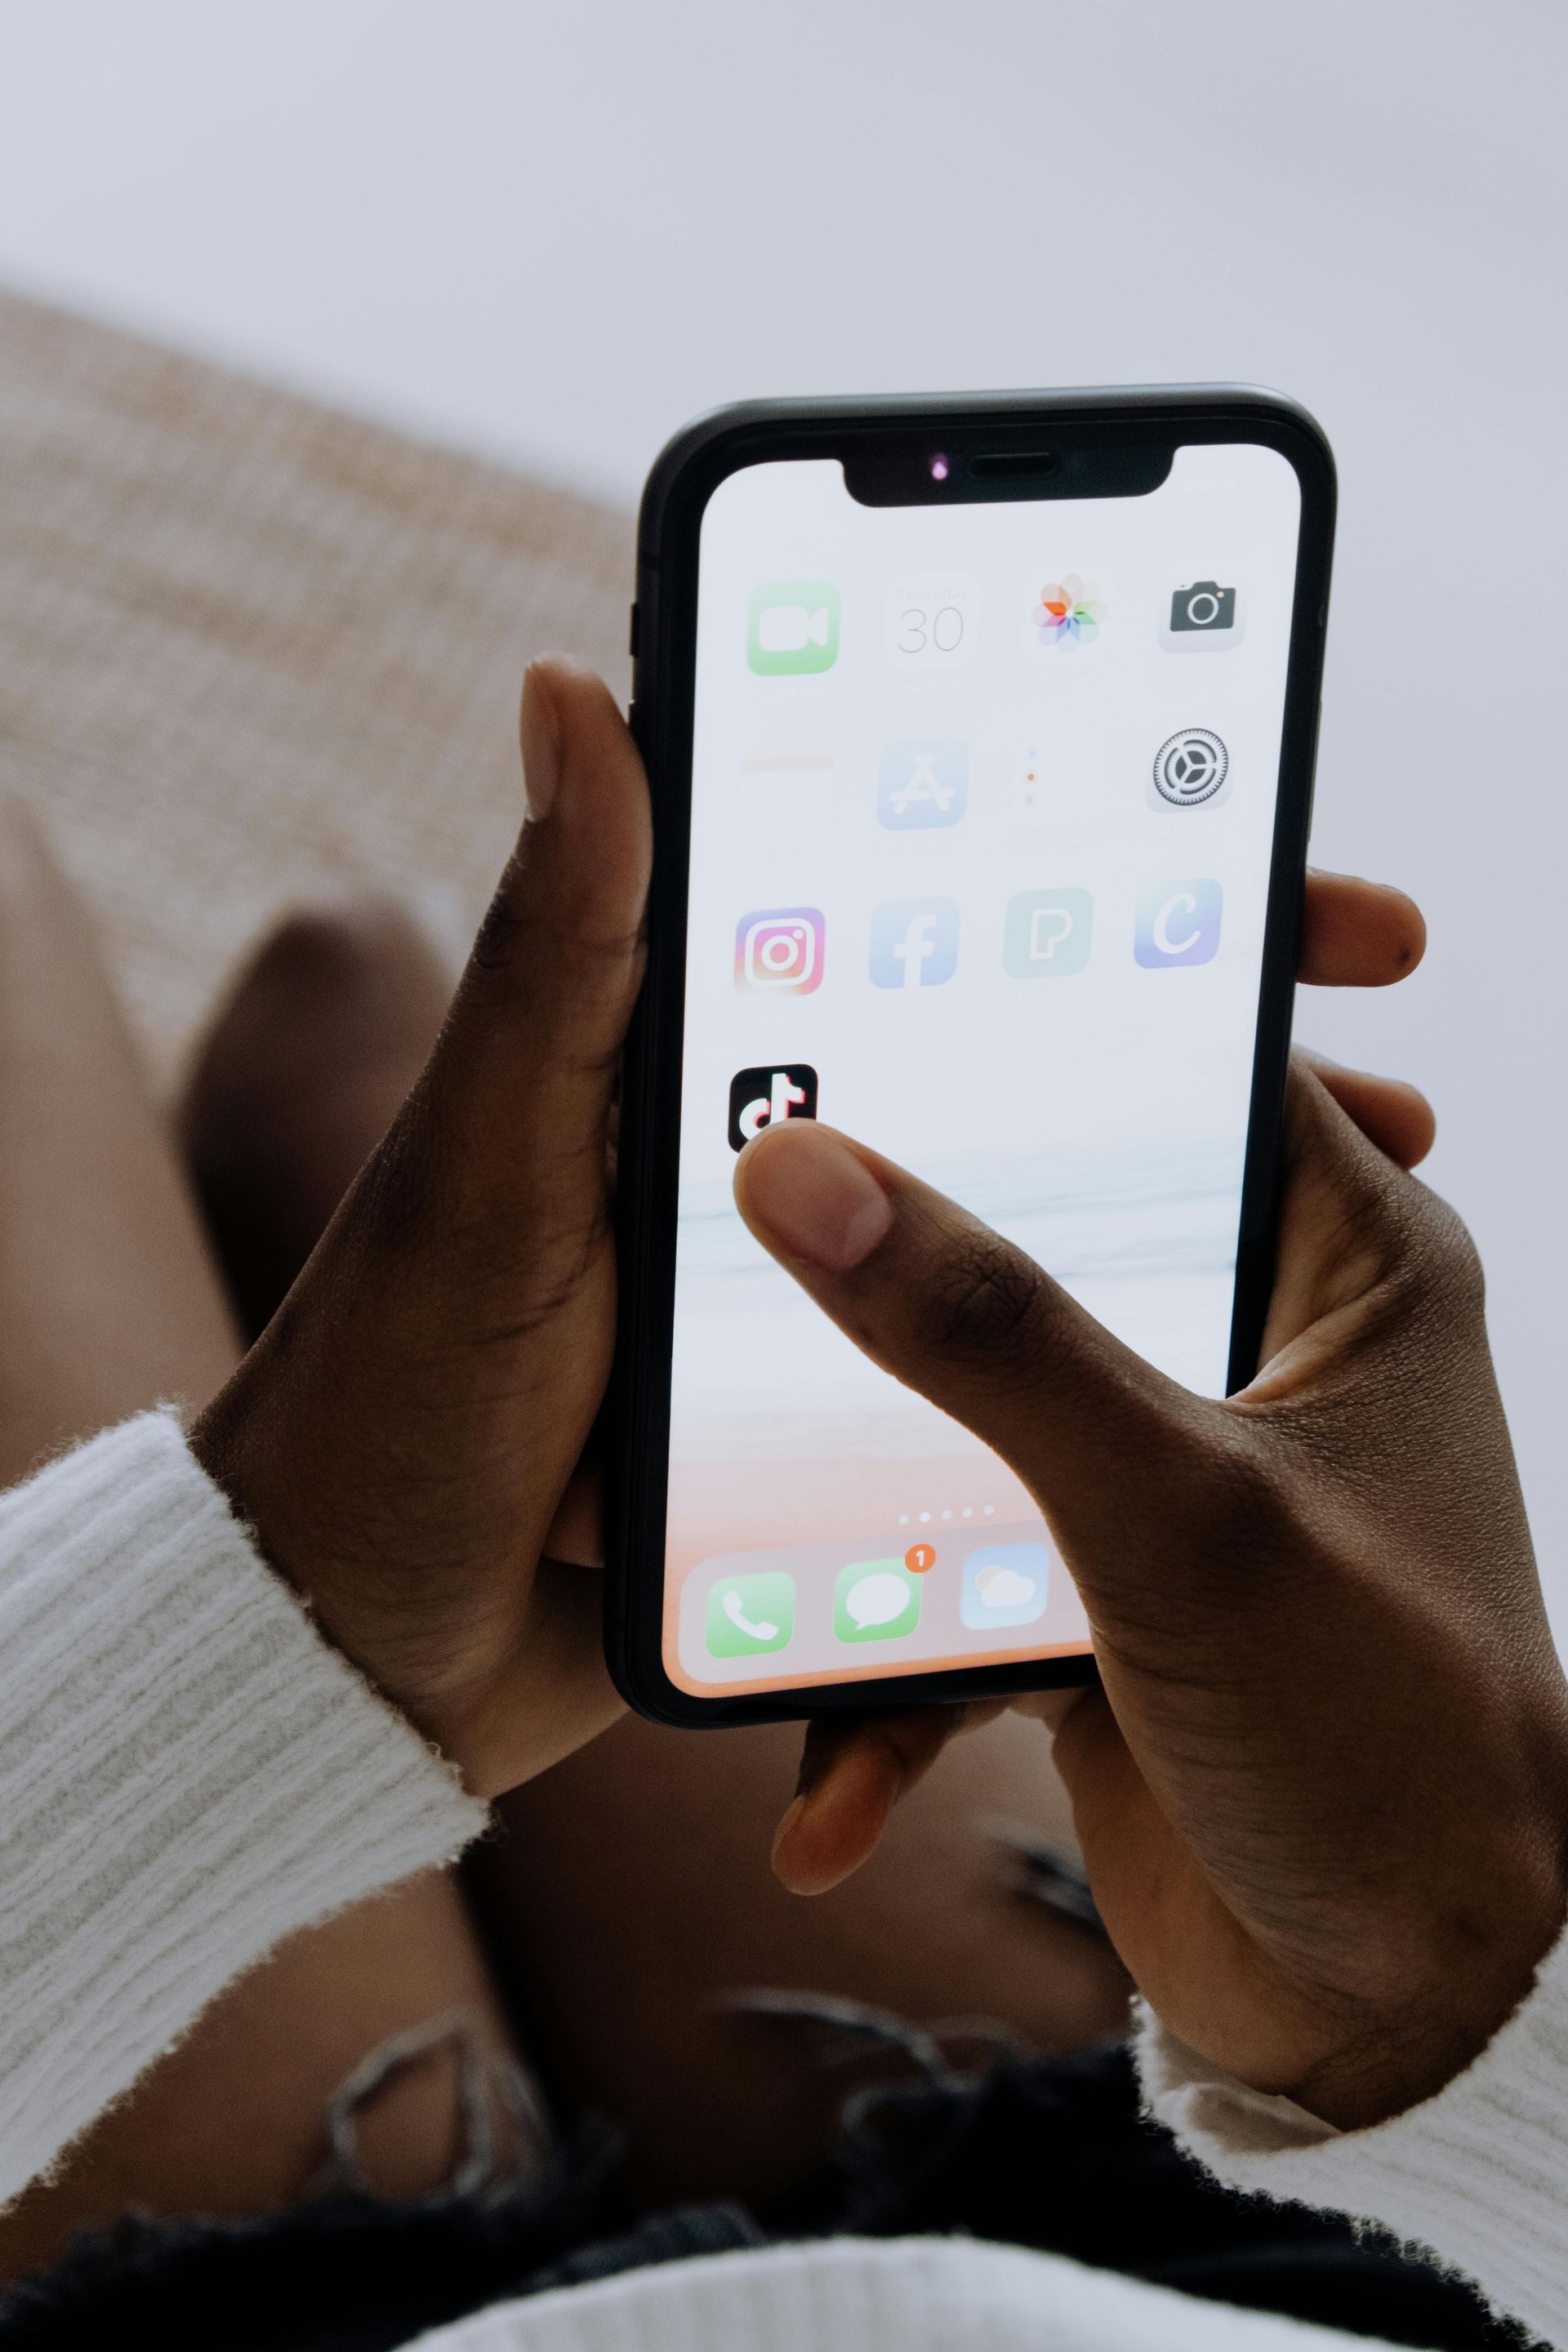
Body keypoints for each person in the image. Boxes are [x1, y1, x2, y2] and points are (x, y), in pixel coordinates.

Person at [0, 659, 1561, 2352]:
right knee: (366, 997)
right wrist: (1470, 2023)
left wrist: (214, 1660)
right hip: (1266, 2258)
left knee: (287, 988)